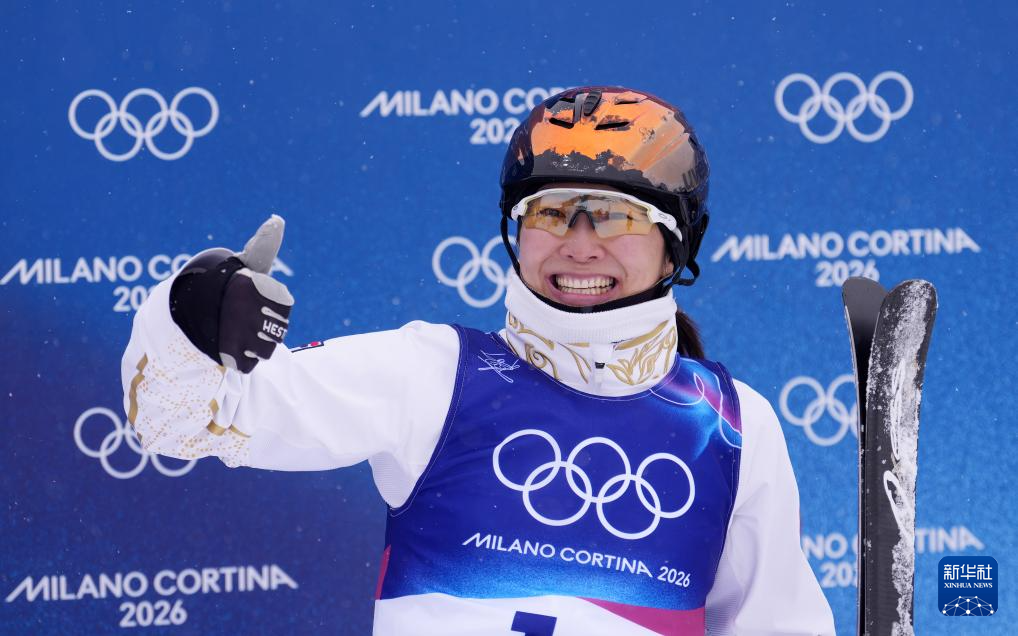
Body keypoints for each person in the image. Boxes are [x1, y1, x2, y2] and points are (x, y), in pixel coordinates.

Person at [122, 86, 836, 635]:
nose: (579, 244)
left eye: (616, 216)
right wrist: (194, 315)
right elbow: (175, 419)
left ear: (677, 245)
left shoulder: (733, 428)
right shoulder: (433, 375)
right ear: (514, 232)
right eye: (550, 212)